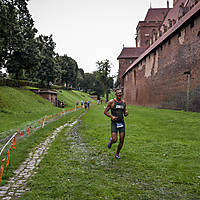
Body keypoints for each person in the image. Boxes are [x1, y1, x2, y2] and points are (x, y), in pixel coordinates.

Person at [104, 89, 128, 159]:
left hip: (121, 122)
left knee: (122, 139)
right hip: (114, 122)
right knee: (115, 139)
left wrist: (126, 112)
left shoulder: (123, 102)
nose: (119, 94)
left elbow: (124, 111)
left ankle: (117, 153)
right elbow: (105, 112)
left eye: (120, 93)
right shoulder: (111, 102)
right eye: (118, 93)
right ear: (115, 94)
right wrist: (111, 116)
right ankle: (111, 141)